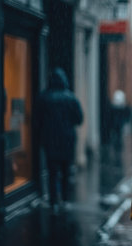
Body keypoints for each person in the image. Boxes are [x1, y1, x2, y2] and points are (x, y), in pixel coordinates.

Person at [36, 67, 83, 212]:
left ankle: (53, 201)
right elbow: (79, 119)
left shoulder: (44, 97)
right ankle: (65, 199)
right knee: (65, 171)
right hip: (67, 140)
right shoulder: (71, 98)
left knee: (52, 171)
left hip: (50, 140)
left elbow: (38, 121)